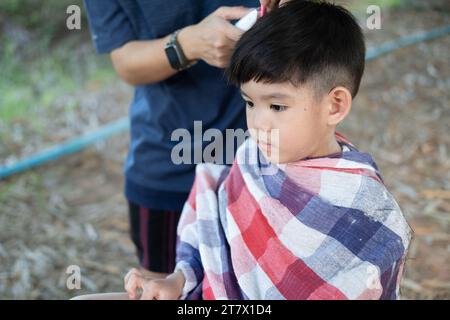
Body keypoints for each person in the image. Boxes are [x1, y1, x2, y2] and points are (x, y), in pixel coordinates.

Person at [124, 0, 412, 300]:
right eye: (250, 103)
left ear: (335, 105)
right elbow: (212, 243)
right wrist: (178, 280)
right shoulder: (251, 160)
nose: (258, 123)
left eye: (277, 105)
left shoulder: (365, 205)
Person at [83, 0, 264, 278]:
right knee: (164, 282)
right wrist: (188, 44)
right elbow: (126, 62)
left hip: (265, 159)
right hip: (169, 162)